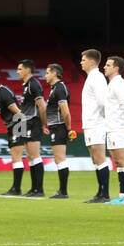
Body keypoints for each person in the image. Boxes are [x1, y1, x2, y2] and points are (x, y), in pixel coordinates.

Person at [10, 60, 46, 197]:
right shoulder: (27, 85)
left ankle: (39, 189)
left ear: (27, 70)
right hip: (26, 122)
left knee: (35, 156)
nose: (17, 71)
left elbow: (42, 106)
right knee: (30, 156)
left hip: (33, 122)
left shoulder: (33, 84)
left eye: (20, 69)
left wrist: (43, 124)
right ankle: (33, 188)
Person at [80, 49, 111, 203]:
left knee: (99, 158)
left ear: (92, 61)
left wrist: (104, 121)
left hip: (97, 123)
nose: (81, 62)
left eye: (84, 60)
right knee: (95, 158)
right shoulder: (91, 78)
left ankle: (104, 194)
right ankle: (100, 192)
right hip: (90, 123)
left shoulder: (97, 78)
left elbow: (102, 102)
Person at [104, 56, 124, 205]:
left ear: (116, 68)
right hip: (111, 128)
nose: (105, 67)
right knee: (118, 161)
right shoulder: (111, 84)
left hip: (120, 128)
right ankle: (122, 195)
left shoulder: (120, 84)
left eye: (108, 65)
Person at [44, 64, 74, 199]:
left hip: (59, 126)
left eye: (47, 73)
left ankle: (63, 191)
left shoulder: (60, 88)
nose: (45, 76)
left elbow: (66, 112)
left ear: (54, 73)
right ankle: (62, 191)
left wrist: (68, 128)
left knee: (60, 159)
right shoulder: (55, 89)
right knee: (59, 159)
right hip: (55, 126)